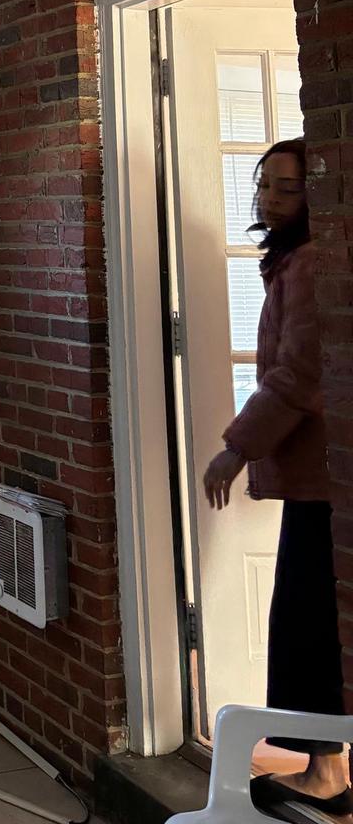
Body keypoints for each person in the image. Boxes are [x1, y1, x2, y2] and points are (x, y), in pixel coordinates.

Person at [201, 137, 347, 821]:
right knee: (307, 620)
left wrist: (236, 448)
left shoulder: (310, 263)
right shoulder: (293, 261)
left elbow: (300, 374)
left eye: (287, 187)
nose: (269, 196)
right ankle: (326, 769)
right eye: (265, 183)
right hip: (317, 477)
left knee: (311, 622)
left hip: (324, 478)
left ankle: (325, 774)